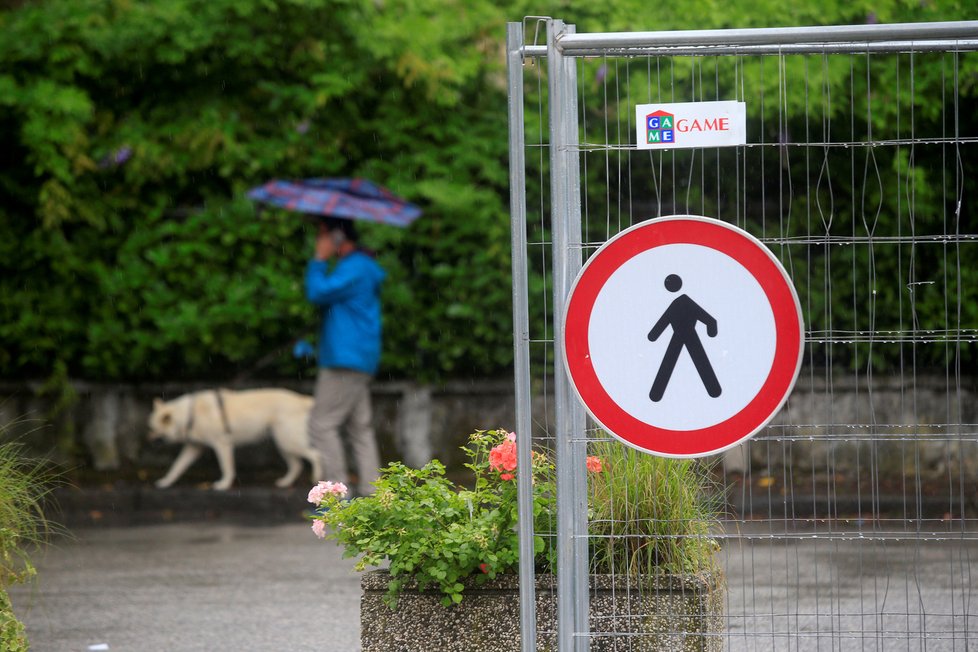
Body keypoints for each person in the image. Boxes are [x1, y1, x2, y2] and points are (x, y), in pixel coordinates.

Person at [304, 217, 386, 497]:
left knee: (321, 425)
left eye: (322, 235)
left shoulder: (355, 267)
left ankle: (336, 496)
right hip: (357, 356)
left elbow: (317, 292)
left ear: (337, 237)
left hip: (344, 359)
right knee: (359, 427)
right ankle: (375, 495)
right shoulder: (360, 266)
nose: (319, 240)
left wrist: (318, 259)